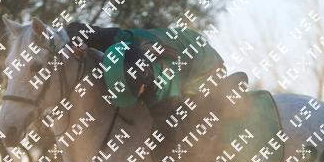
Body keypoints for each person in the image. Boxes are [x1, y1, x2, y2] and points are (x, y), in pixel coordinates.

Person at [65, 21, 247, 119]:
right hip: (182, 41)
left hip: (208, 69)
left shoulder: (166, 86)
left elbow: (167, 123)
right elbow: (76, 29)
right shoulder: (122, 42)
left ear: (144, 84)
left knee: (192, 118)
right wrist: (74, 41)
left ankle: (224, 94)